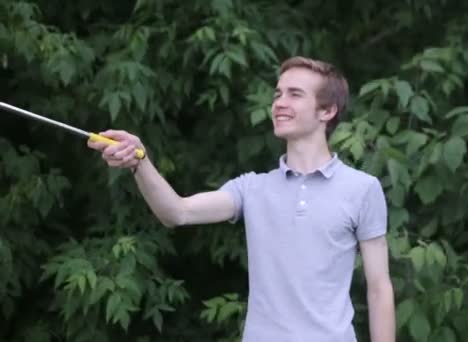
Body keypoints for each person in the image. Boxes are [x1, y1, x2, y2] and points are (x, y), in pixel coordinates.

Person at [88, 56, 395, 342]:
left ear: (327, 112)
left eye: (294, 94)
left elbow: (379, 289)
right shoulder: (251, 189)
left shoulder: (362, 189)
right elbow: (177, 212)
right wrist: (140, 162)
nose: (279, 103)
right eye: (277, 94)